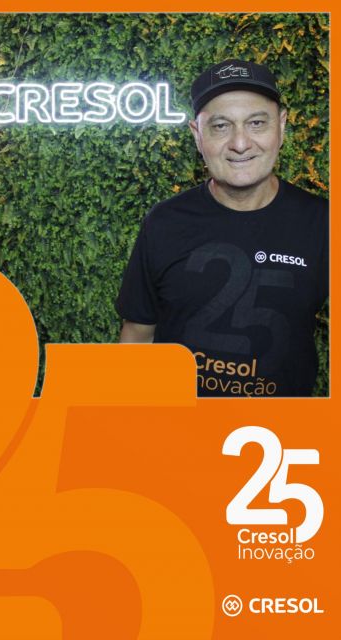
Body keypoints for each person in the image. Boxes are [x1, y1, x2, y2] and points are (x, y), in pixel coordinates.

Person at [116, 58, 328, 397]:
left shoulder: (323, 223)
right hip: (179, 423)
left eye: (256, 123)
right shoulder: (165, 222)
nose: (240, 143)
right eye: (220, 126)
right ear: (197, 135)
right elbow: (138, 336)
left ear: (281, 125)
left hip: (282, 427)